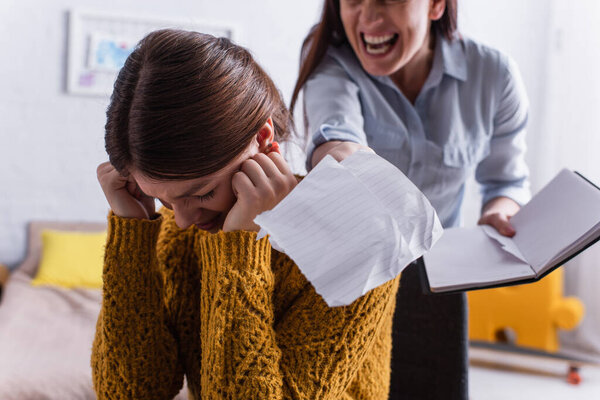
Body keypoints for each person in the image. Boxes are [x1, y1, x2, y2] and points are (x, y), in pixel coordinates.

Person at [92, 28, 400, 400]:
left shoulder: (360, 238)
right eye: (166, 202)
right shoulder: (181, 229)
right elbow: (131, 393)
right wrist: (132, 235)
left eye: (202, 193)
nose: (184, 221)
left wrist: (239, 252)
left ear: (264, 139)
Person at [291, 0, 530, 398]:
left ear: (437, 5)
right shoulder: (330, 63)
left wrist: (498, 215)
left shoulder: (494, 75)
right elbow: (336, 136)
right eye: (353, 0)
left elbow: (506, 181)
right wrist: (344, 161)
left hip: (438, 282)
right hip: (355, 276)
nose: (368, 19)